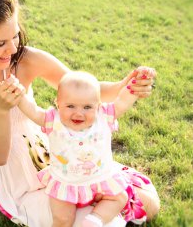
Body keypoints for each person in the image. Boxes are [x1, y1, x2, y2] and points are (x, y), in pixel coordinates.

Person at [0, 0, 160, 227]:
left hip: (59, 159)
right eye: (0, 44)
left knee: (147, 201)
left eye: (15, 36)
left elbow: (81, 90)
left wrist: (126, 86)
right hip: (20, 183)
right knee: (105, 223)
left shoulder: (25, 60)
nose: (12, 48)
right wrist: (2, 110)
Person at [16, 70, 155, 227]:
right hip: (65, 184)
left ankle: (95, 220)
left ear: (98, 106)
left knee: (120, 197)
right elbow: (33, 111)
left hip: (100, 180)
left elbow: (123, 101)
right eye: (70, 106)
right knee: (62, 219)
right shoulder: (52, 120)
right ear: (58, 103)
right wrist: (19, 96)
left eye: (87, 107)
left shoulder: (104, 117)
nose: (79, 113)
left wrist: (137, 82)